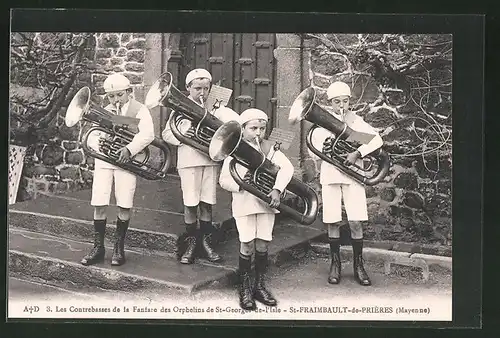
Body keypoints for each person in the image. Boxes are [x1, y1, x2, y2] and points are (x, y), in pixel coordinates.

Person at [218, 108, 294, 310]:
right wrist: (242, 184)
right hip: (244, 204)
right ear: (242, 130)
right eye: (253, 128)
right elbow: (224, 180)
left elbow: (288, 168)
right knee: (247, 245)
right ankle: (245, 287)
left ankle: (259, 286)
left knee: (262, 245)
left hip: (266, 204)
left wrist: (277, 189)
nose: (258, 133)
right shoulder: (234, 150)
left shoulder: (270, 149)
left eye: (261, 128)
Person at [309, 81, 383, 286]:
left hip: (353, 175)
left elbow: (376, 140)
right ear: (330, 103)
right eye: (336, 102)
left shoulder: (355, 122)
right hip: (331, 175)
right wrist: (326, 147)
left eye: (345, 101)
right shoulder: (323, 124)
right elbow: (312, 150)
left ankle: (359, 266)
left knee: (356, 221)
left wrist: (357, 152)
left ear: (349, 101)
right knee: (332, 220)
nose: (341, 105)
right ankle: (336, 264)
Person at [162, 68, 236, 265]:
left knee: (207, 202)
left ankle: (206, 243)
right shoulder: (179, 109)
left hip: (210, 161)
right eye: (197, 88)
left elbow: (235, 125)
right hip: (188, 162)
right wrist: (188, 133)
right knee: (190, 203)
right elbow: (167, 134)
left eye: (205, 88)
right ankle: (191, 244)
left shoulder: (216, 108)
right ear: (188, 88)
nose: (202, 93)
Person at [81, 73, 155, 266]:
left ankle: (118, 248)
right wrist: (99, 141)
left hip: (127, 161)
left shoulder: (140, 110)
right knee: (99, 201)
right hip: (105, 162)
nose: (115, 100)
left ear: (129, 92)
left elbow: (148, 134)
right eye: (111, 96)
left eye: (119, 95)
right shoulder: (104, 111)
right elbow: (93, 136)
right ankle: (98, 248)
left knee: (124, 203)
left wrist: (129, 149)